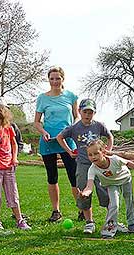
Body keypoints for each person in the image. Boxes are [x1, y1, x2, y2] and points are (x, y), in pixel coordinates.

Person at [57, 98, 114, 234]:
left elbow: (110, 136)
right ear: (79, 111)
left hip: (99, 164)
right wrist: (69, 151)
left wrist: (108, 151)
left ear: (94, 113)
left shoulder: (99, 126)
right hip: (83, 164)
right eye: (85, 111)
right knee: (83, 192)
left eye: (90, 112)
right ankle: (89, 222)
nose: (88, 115)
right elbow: (60, 137)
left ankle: (111, 220)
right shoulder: (74, 128)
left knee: (104, 190)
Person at [79, 139, 134, 238]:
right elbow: (89, 186)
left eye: (96, 153)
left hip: (125, 179)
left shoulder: (114, 159)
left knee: (129, 200)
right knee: (114, 205)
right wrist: (85, 193)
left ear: (104, 152)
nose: (93, 157)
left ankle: (131, 222)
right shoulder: (92, 169)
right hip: (111, 184)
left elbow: (129, 163)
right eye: (90, 155)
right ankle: (109, 230)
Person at [34, 66, 79, 222]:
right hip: (49, 142)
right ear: (49, 80)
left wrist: (71, 129)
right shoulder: (42, 98)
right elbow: (37, 122)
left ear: (63, 79)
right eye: (52, 78)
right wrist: (44, 132)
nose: (54, 81)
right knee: (52, 177)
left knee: (74, 176)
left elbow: (77, 117)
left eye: (57, 78)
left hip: (67, 140)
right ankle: (56, 211)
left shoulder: (71, 96)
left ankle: (82, 208)